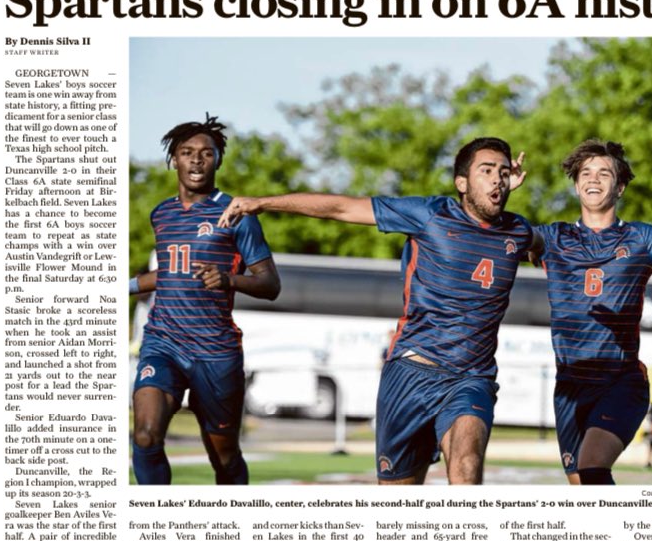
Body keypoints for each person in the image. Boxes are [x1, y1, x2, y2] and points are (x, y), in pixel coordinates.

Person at [218, 137, 533, 485]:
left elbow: (562, 249)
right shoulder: (428, 215)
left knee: (466, 467)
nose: (496, 179)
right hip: (410, 374)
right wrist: (263, 203)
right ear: (462, 182)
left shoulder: (519, 231)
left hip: (471, 378)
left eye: (503, 173)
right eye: (486, 171)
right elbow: (340, 208)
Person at [531, 139, 652, 485]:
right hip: (569, 385)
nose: (593, 178)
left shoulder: (640, 238)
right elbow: (504, 239)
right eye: (586, 173)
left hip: (620, 381)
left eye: (604, 173)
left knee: (592, 467)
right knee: (582, 484)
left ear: (619, 187)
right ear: (576, 185)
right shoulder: (553, 237)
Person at [129, 115, 281, 484]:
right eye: (187, 152)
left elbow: (271, 284)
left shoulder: (237, 215)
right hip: (163, 342)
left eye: (206, 153)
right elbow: (170, 273)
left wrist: (229, 279)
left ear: (218, 160)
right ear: (174, 160)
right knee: (145, 435)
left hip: (215, 351)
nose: (196, 160)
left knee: (224, 458)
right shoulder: (161, 214)